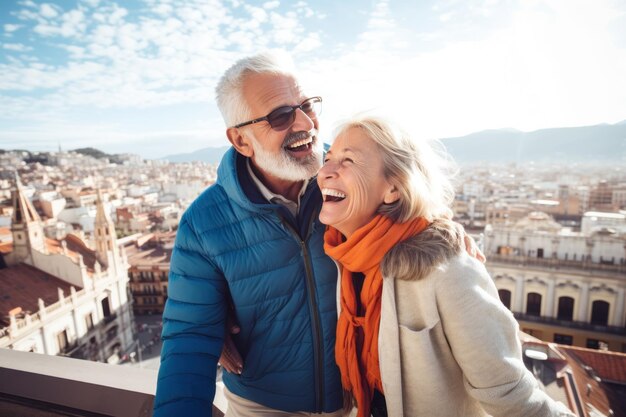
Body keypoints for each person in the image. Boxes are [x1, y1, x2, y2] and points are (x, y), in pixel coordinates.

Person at [318, 116, 576, 417]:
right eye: (328, 158)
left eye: (348, 160)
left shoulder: (447, 270)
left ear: (393, 189)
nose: (324, 172)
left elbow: (512, 397)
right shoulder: (342, 254)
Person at [153, 52, 345, 416]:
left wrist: (442, 232)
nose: (305, 122)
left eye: (306, 105)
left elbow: (408, 198)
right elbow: (189, 339)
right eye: (280, 116)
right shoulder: (204, 223)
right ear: (241, 140)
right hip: (263, 405)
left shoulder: (354, 178)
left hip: (356, 395)